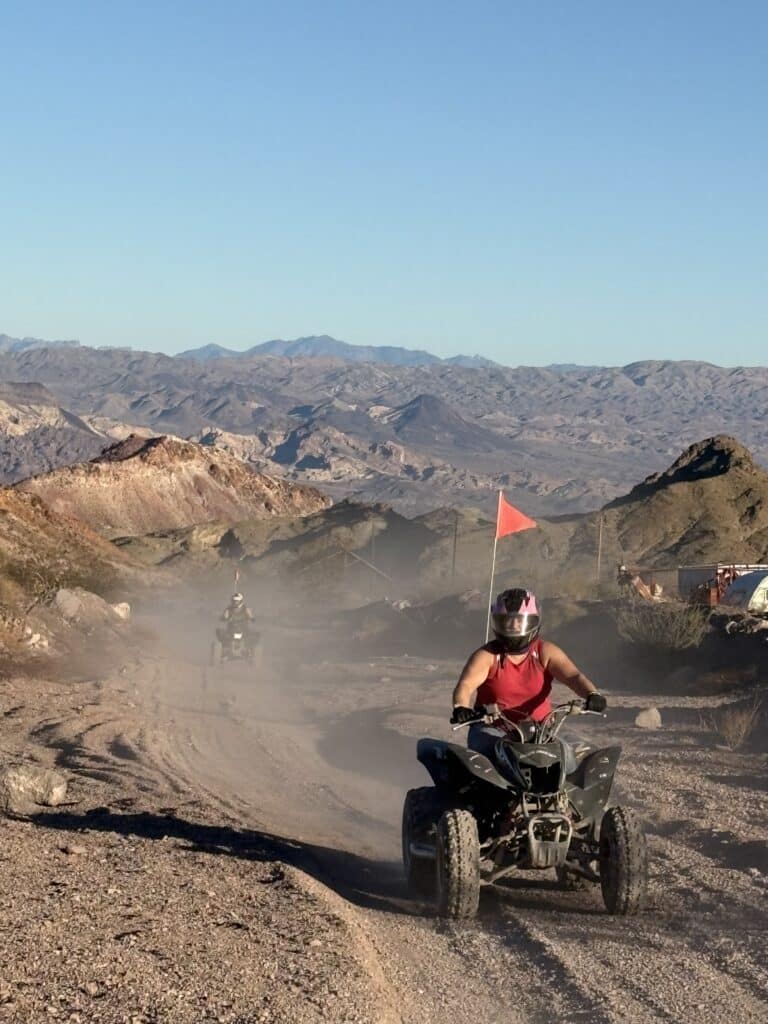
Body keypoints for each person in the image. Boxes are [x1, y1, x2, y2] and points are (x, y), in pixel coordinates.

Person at [450, 587, 606, 764]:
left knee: (569, 761)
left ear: (533, 622)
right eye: (508, 621)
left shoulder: (545, 652)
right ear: (498, 623)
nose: (515, 626)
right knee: (488, 761)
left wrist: (592, 694)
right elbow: (466, 685)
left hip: (541, 730)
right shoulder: (487, 656)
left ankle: (566, 792)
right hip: (494, 729)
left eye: (520, 621)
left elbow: (573, 677)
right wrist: (461, 707)